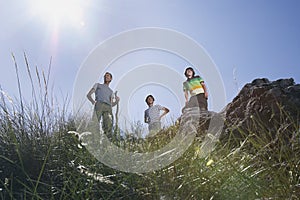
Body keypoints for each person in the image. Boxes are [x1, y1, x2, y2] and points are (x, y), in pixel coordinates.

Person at [87, 72, 120, 138]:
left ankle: (107, 140)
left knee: (108, 124)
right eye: (105, 76)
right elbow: (88, 95)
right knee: (95, 121)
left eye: (108, 76)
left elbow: (111, 104)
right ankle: (93, 138)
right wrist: (93, 101)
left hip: (108, 107)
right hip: (99, 104)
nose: (106, 77)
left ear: (111, 79)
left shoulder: (111, 91)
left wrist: (117, 101)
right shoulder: (98, 85)